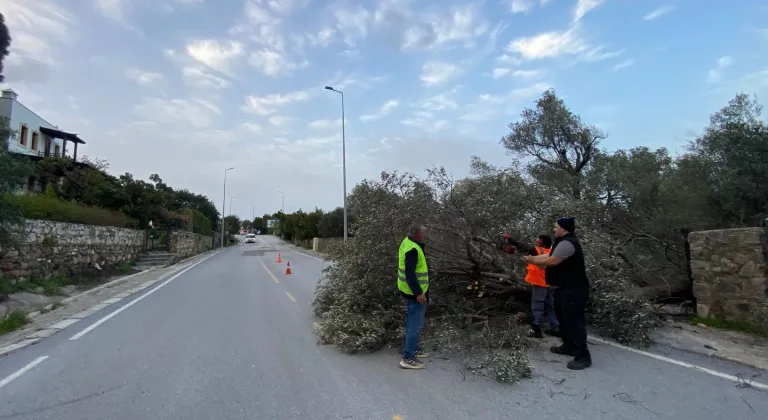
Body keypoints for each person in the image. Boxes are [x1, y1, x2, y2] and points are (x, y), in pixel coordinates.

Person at [523, 217, 592, 370]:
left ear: (563, 228)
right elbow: (547, 256)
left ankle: (583, 356)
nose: (554, 229)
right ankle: (568, 346)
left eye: (556, 227)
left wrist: (532, 260)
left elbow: (552, 261)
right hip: (563, 288)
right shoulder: (561, 243)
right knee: (564, 318)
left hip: (574, 289)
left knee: (576, 322)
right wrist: (531, 258)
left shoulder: (568, 243)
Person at [505, 234, 559, 338]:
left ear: (542, 242)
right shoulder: (552, 250)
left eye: (538, 239)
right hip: (550, 284)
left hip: (540, 283)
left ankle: (536, 329)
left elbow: (522, 247)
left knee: (537, 307)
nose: (536, 240)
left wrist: (510, 238)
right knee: (549, 306)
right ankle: (555, 327)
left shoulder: (537, 250)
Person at [397, 223, 431, 369]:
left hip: (409, 289)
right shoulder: (412, 249)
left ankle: (415, 349)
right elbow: (410, 274)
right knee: (415, 325)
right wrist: (418, 293)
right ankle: (408, 357)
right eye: (423, 232)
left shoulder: (409, 241)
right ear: (418, 234)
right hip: (414, 292)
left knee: (415, 322)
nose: (424, 234)